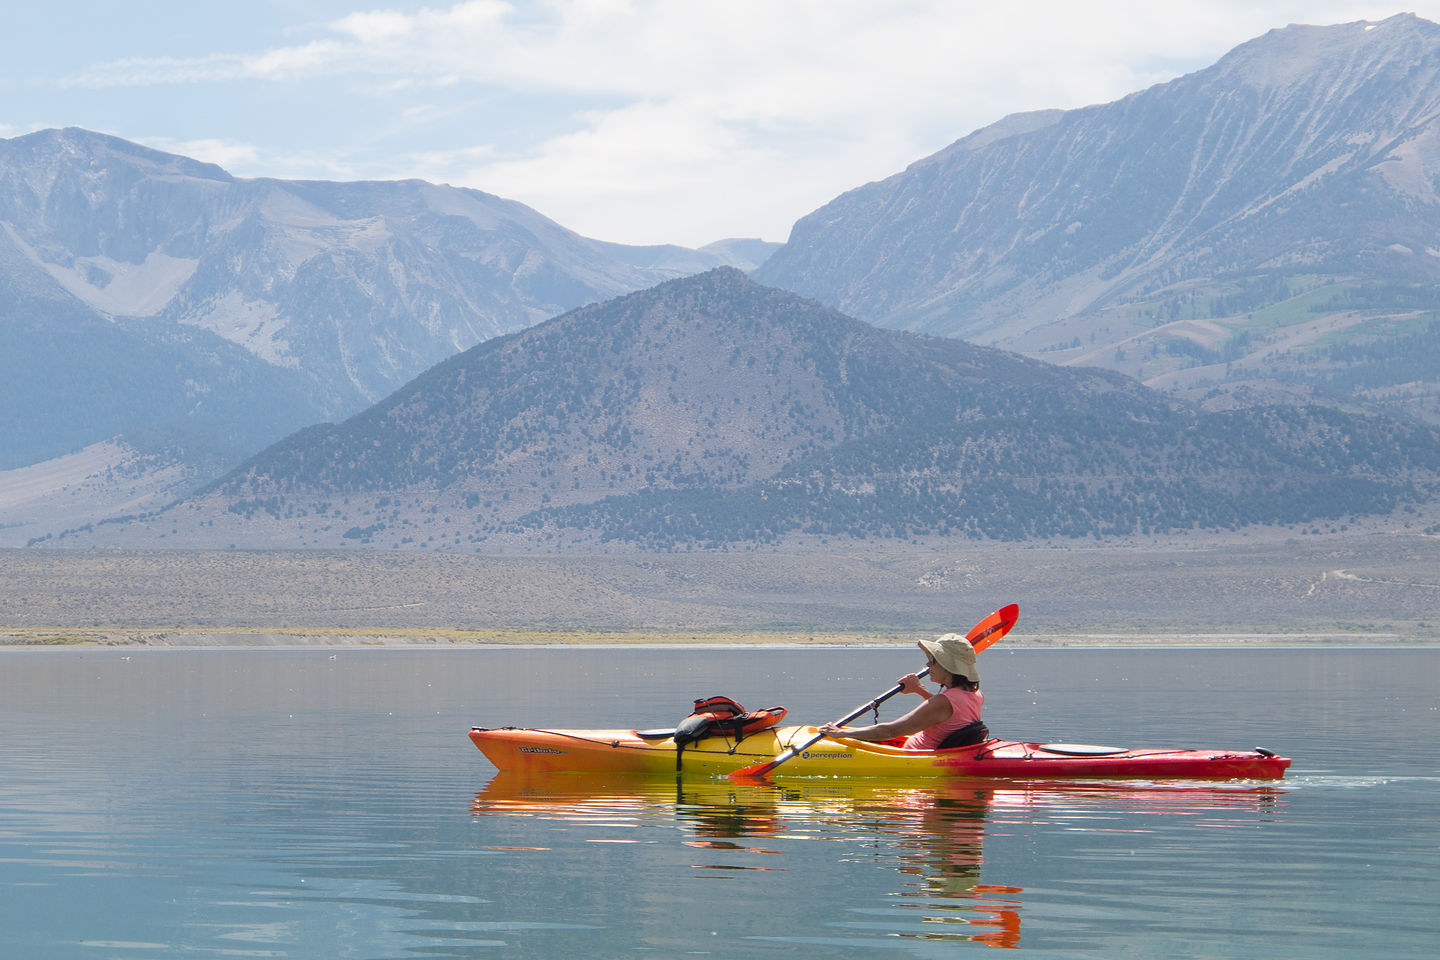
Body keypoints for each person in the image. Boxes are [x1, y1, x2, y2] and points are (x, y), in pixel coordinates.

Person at [819, 633, 987, 749]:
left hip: (914, 758)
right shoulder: (974, 694)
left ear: (947, 666)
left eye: (932, 660)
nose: (928, 665)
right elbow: (947, 716)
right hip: (931, 750)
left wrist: (839, 733)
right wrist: (919, 690)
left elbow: (891, 731)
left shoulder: (942, 702)